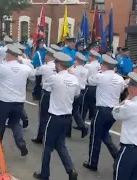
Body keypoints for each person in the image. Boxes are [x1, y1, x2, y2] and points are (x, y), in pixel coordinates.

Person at [33, 52, 79, 180]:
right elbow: (76, 94)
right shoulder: (74, 79)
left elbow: (45, 88)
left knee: (47, 146)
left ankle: (44, 173)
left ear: (58, 64)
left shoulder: (54, 78)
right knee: (60, 145)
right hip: (67, 117)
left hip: (54, 116)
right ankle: (71, 170)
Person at [0, 44, 35, 156]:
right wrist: (23, 61)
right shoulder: (25, 68)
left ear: (8, 55)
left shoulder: (3, 67)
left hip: (3, 101)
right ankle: (21, 143)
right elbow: (33, 75)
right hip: (18, 102)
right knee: (15, 123)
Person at [83, 54, 124, 172]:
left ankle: (92, 162)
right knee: (104, 135)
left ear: (104, 66)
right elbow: (121, 90)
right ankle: (117, 156)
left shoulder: (101, 76)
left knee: (95, 136)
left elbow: (89, 81)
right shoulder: (120, 78)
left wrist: (99, 73)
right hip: (113, 111)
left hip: (102, 110)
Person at [31, 47, 57, 144]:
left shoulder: (45, 67)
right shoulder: (57, 66)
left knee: (43, 116)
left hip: (46, 93)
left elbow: (35, 73)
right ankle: (51, 137)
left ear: (48, 56)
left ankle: (40, 136)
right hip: (55, 93)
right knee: (53, 115)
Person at [68, 52, 89, 138]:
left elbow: (67, 71)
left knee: (69, 111)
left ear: (78, 61)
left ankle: (68, 131)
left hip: (73, 91)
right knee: (75, 111)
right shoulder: (86, 70)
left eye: (75, 60)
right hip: (81, 91)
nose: (74, 62)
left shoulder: (73, 70)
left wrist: (73, 66)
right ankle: (82, 127)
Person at [81, 49, 101, 122]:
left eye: (89, 56)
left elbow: (84, 75)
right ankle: (92, 118)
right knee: (93, 104)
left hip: (89, 86)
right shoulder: (99, 65)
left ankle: (81, 120)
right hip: (96, 87)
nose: (88, 57)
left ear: (92, 57)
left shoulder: (88, 65)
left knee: (84, 104)